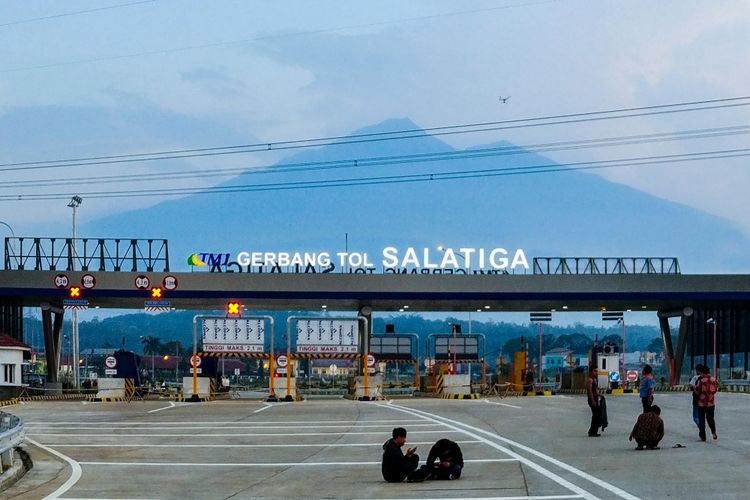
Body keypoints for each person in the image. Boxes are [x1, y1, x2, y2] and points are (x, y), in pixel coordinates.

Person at [694, 364, 719, 442]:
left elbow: (698, 391)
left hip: (702, 403)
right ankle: (714, 432)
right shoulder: (713, 379)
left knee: (702, 420)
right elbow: (715, 390)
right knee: (710, 418)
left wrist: (694, 388)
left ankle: (703, 436)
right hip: (711, 403)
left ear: (702, 372)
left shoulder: (701, 380)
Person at [587, 365, 603, 437]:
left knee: (597, 415)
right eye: (595, 371)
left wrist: (599, 394)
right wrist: (593, 401)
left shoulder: (594, 379)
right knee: (596, 415)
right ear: (591, 371)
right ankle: (592, 431)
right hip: (592, 400)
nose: (596, 372)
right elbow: (590, 391)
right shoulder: (590, 380)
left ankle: (593, 430)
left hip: (596, 399)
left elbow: (595, 390)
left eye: (597, 371)